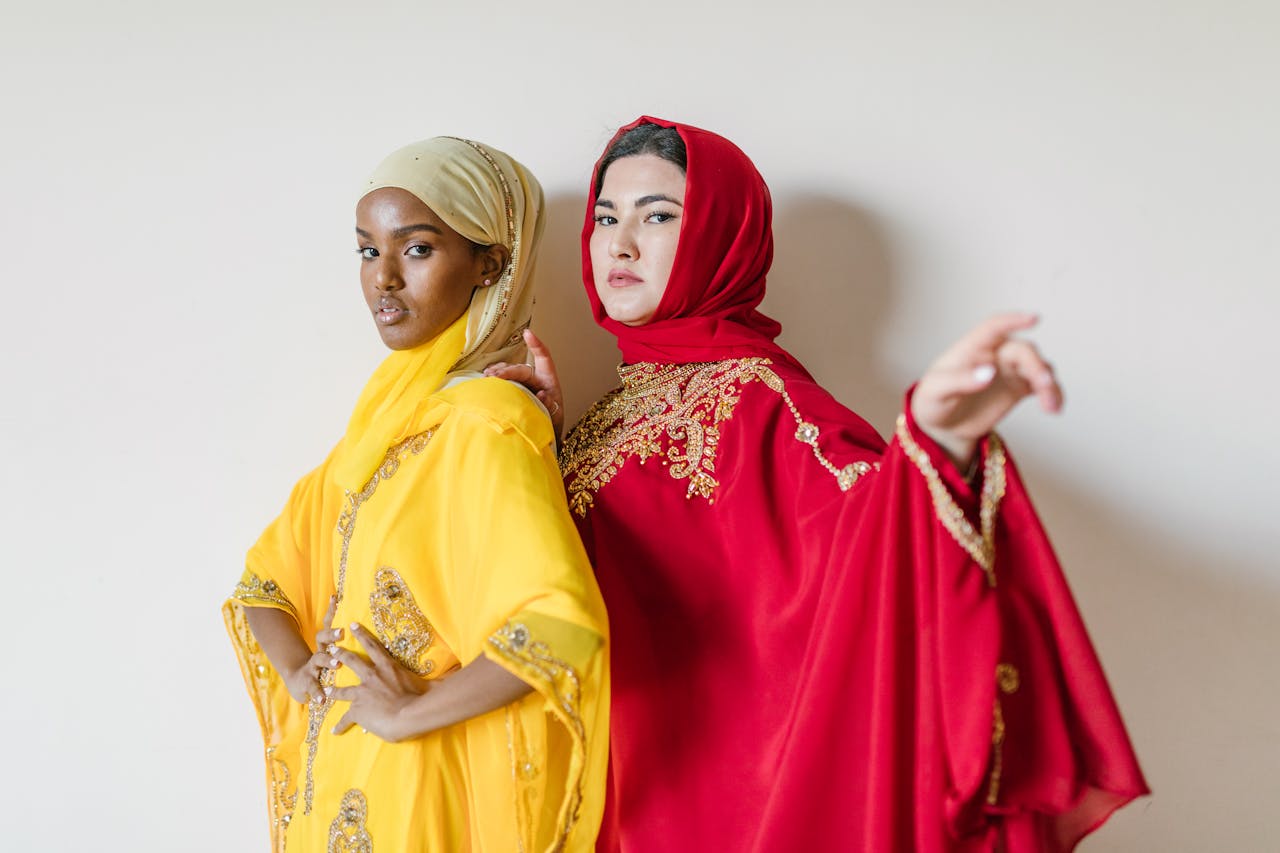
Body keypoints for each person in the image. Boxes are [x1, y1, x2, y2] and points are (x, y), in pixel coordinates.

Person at [487, 117, 1147, 851]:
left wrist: (939, 442)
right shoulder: (607, 413)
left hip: (719, 811)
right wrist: (541, 450)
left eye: (659, 217)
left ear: (720, 235)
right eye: (605, 217)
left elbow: (876, 545)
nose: (619, 242)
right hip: (612, 801)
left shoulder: (765, 403)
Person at [223, 136, 609, 852]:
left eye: (418, 249)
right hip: (344, 776)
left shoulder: (490, 420)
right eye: (368, 251)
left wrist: (410, 710)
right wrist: (299, 672)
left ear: (491, 261)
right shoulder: (380, 430)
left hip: (424, 792)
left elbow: (561, 624)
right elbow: (262, 584)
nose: (384, 280)